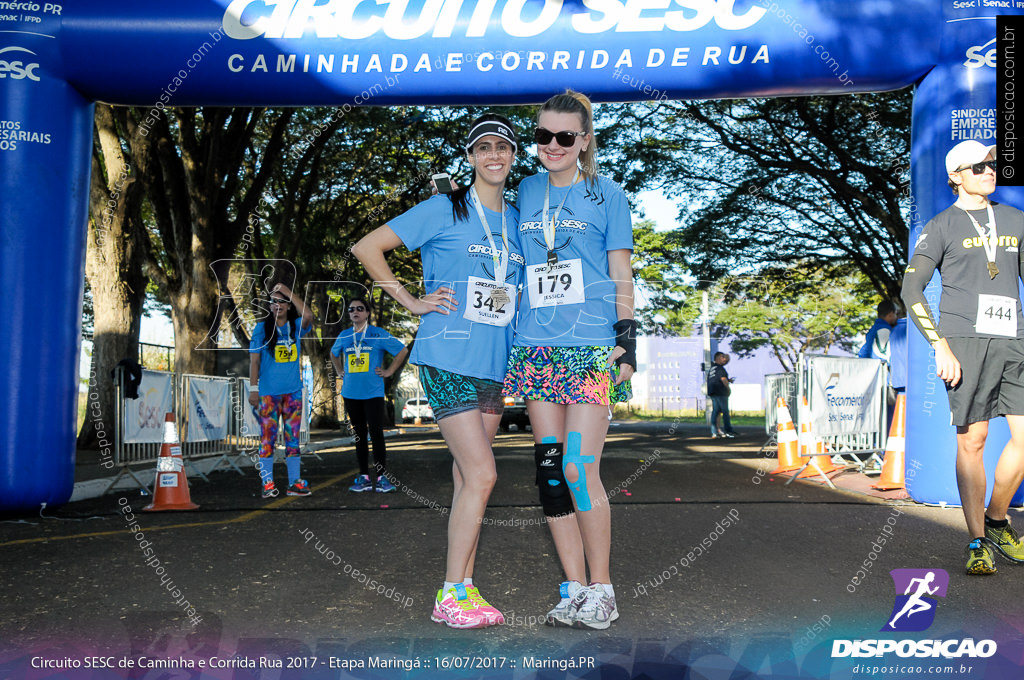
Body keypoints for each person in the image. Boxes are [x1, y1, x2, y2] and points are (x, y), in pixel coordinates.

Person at [352, 113, 523, 628]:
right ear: (471, 157)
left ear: (513, 157)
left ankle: (466, 586)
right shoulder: (443, 207)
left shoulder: (516, 218)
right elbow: (366, 247)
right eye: (484, 148)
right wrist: (411, 300)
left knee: (466, 476)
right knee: (483, 474)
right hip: (446, 356)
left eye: (504, 148)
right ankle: (450, 594)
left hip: (495, 364)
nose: (495, 155)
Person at [503, 90, 634, 630]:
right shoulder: (523, 192)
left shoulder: (608, 195)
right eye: (542, 135)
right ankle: (573, 587)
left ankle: (603, 588)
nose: (552, 146)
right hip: (536, 348)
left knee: (581, 468)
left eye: (564, 137)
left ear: (584, 141)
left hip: (590, 349)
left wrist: (629, 336)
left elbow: (621, 271)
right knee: (551, 473)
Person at [901, 140, 1024, 575]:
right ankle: (977, 540)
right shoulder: (940, 225)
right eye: (978, 166)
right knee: (973, 441)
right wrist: (940, 345)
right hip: (964, 342)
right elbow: (911, 290)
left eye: (992, 165)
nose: (989, 171)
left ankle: (996, 519)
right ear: (956, 175)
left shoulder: (1014, 219)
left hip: (1014, 339)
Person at [330, 296, 409, 493]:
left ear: (367, 313)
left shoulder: (378, 334)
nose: (354, 312)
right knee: (359, 435)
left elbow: (402, 350)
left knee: (376, 434)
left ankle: (382, 477)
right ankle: (363, 477)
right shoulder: (345, 335)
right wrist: (339, 370)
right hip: (350, 393)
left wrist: (389, 371)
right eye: (351, 309)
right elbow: (333, 353)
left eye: (359, 308)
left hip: (373, 393)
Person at [248, 282, 314, 498]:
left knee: (292, 439)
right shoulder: (261, 329)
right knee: (267, 438)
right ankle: (268, 483)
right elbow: (254, 362)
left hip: (293, 393)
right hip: (268, 394)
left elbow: (309, 315)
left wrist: (288, 292)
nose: (278, 305)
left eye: (282, 301)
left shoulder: (295, 326)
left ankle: (295, 483)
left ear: (288, 305)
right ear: (269, 306)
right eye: (274, 302)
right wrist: (253, 389)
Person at [707, 351, 736, 438]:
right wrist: (728, 388)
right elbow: (723, 380)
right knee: (725, 411)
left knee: (716, 411)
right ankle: (728, 430)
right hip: (720, 392)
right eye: (723, 357)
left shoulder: (713, 368)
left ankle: (715, 431)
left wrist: (728, 380)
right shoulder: (720, 369)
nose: (725, 359)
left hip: (713, 391)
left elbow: (719, 378)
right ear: (718, 358)